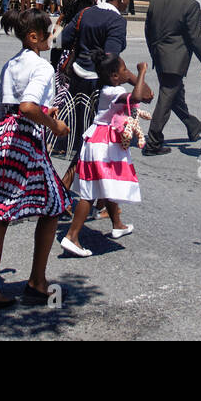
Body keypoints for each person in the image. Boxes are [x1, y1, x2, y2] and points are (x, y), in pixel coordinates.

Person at [0, 7, 72, 312]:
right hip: (25, 139)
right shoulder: (42, 67)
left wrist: (43, 113)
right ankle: (37, 280)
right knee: (55, 205)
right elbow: (27, 106)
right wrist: (54, 124)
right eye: (48, 32)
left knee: (1, 213)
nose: (52, 36)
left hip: (2, 137)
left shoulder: (11, 64)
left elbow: (0, 109)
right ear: (34, 37)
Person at [60, 49, 149, 257]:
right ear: (115, 76)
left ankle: (117, 223)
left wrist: (130, 75)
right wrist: (141, 72)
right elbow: (139, 95)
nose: (127, 72)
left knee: (105, 184)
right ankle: (72, 236)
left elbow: (147, 94)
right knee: (90, 192)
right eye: (123, 70)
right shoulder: (113, 92)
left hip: (103, 141)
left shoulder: (109, 87)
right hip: (101, 144)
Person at [58, 0, 127, 182]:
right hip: (97, 88)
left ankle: (102, 200)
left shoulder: (85, 13)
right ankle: (65, 188)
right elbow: (110, 60)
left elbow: (59, 39)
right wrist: (135, 78)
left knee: (87, 138)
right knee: (93, 141)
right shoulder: (116, 21)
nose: (129, 0)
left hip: (77, 82)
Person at [142, 0, 201, 155]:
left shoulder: (155, 0)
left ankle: (193, 125)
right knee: (166, 98)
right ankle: (153, 143)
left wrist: (154, 51)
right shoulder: (190, 4)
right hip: (175, 59)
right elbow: (195, 38)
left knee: (174, 94)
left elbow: (147, 30)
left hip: (160, 55)